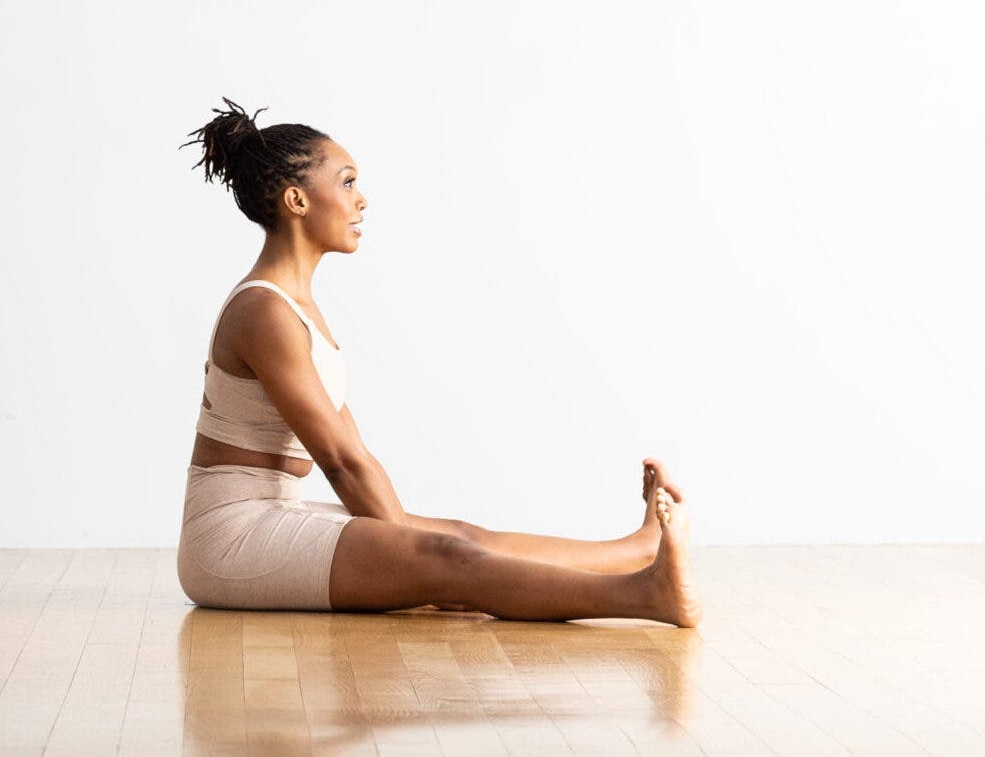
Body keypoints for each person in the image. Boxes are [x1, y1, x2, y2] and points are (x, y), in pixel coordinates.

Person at [175, 98, 702, 626]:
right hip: (229, 541)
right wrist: (417, 561)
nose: (362, 199)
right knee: (446, 557)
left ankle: (636, 551)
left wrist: (412, 548)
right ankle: (644, 596)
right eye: (348, 182)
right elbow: (340, 461)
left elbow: (355, 452)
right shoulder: (265, 311)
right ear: (297, 200)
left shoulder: (293, 307)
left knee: (459, 537)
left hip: (271, 515)